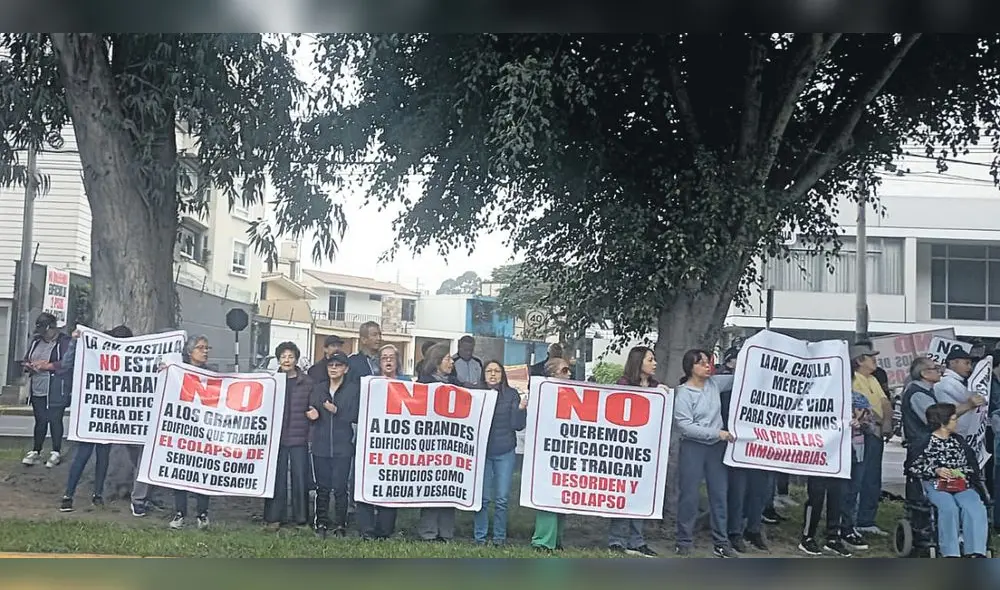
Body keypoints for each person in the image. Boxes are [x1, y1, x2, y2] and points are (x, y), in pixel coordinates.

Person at [59, 325, 133, 512]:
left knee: (102, 455)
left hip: (106, 412)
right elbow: (67, 364)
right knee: (84, 454)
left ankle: (94, 494)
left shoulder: (126, 357)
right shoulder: (92, 352)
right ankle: (70, 494)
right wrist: (76, 342)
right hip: (92, 411)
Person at [674, 349, 737, 558]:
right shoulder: (683, 392)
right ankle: (683, 540)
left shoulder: (714, 384)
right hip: (693, 446)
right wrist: (716, 433)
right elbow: (685, 426)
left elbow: (742, 379)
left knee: (719, 494)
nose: (707, 366)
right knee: (689, 495)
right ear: (690, 367)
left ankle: (721, 541)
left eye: (708, 362)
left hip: (715, 447)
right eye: (701, 363)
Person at [907, 403, 990, 558]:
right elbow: (912, 467)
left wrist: (958, 472)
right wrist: (935, 470)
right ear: (942, 422)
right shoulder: (924, 442)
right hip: (934, 483)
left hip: (959, 482)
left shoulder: (959, 442)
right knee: (948, 508)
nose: (956, 422)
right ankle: (950, 551)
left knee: (974, 507)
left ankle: (976, 551)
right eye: (953, 419)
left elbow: (971, 467)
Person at [607, 346, 661, 557]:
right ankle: (617, 539)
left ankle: (637, 541)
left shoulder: (657, 387)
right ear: (639, 362)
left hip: (645, 451)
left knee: (641, 495)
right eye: (650, 359)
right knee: (622, 494)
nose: (654, 363)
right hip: (624, 450)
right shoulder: (623, 384)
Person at [717, 351, 772, 554]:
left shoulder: (766, 389)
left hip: (760, 447)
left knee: (759, 490)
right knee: (738, 492)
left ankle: (754, 528)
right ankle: (734, 532)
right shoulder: (729, 387)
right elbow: (724, 414)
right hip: (737, 446)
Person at [353, 344, 408, 540]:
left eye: (391, 357)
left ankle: (385, 530)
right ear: (379, 361)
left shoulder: (407, 383)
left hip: (395, 444)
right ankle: (366, 529)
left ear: (397, 360)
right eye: (384, 357)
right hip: (372, 443)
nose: (388, 360)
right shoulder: (370, 383)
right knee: (367, 483)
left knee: (390, 485)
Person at [473, 360, 527, 546]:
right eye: (489, 371)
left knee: (502, 498)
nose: (493, 374)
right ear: (484, 374)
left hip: (505, 451)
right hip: (483, 452)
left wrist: (520, 410)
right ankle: (480, 537)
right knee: (482, 498)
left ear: (502, 374)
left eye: (497, 371)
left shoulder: (511, 394)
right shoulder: (476, 393)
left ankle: (499, 538)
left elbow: (517, 425)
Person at [306, 352, 359, 538]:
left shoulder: (353, 390)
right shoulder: (319, 388)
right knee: (322, 487)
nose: (334, 368)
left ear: (346, 369)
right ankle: (321, 522)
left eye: (338, 365)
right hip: (320, 445)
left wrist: (337, 411)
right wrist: (312, 415)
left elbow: (356, 415)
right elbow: (311, 408)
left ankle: (340, 524)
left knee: (340, 487)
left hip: (342, 446)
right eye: (331, 365)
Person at [264, 341, 313, 529]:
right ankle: (274, 517)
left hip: (300, 436)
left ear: (296, 359)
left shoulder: (307, 382)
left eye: (290, 356)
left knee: (301, 479)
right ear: (278, 360)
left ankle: (301, 519)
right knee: (276, 478)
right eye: (283, 356)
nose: (287, 360)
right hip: (277, 437)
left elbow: (313, 404)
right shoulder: (272, 381)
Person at [169, 334, 214, 530]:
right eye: (200, 347)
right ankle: (180, 513)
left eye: (206, 348)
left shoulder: (213, 375)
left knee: (203, 472)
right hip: (183, 431)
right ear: (190, 352)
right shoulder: (178, 372)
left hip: (204, 432)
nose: (205, 351)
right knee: (181, 472)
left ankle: (202, 514)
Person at [416, 343, 460, 541]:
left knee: (448, 486)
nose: (451, 362)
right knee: (431, 486)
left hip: (451, 445)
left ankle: (446, 531)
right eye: (448, 358)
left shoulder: (457, 385)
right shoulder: (422, 384)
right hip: (430, 445)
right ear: (437, 362)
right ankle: (429, 531)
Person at [849, 342, 893, 537]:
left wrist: (887, 422)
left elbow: (885, 402)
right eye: (870, 356)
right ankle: (852, 520)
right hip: (864, 434)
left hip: (876, 434)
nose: (874, 359)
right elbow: (861, 407)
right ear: (859, 361)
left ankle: (866, 520)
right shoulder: (852, 379)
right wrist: (878, 424)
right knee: (859, 477)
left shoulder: (873, 379)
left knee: (873, 477)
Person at [530, 356, 573, 552]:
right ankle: (542, 541)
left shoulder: (574, 393)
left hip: (566, 451)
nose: (569, 373)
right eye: (565, 370)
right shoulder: (542, 392)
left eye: (569, 370)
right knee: (547, 494)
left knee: (562, 494)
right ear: (552, 373)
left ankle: (557, 539)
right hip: (547, 451)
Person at [21, 312, 73, 469]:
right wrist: (30, 366)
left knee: (55, 419)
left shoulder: (64, 342)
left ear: (53, 329)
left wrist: (49, 366)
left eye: (46, 331)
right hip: (38, 386)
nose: (44, 335)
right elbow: (26, 358)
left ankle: (56, 450)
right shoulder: (37, 341)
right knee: (40, 420)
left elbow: (67, 362)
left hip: (56, 387)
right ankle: (36, 449)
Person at [839, 390, 876, 551]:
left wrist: (862, 424)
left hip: (857, 453)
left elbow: (871, 426)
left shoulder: (860, 398)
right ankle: (834, 527)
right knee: (837, 492)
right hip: (836, 453)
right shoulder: (832, 394)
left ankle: (847, 527)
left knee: (853, 491)